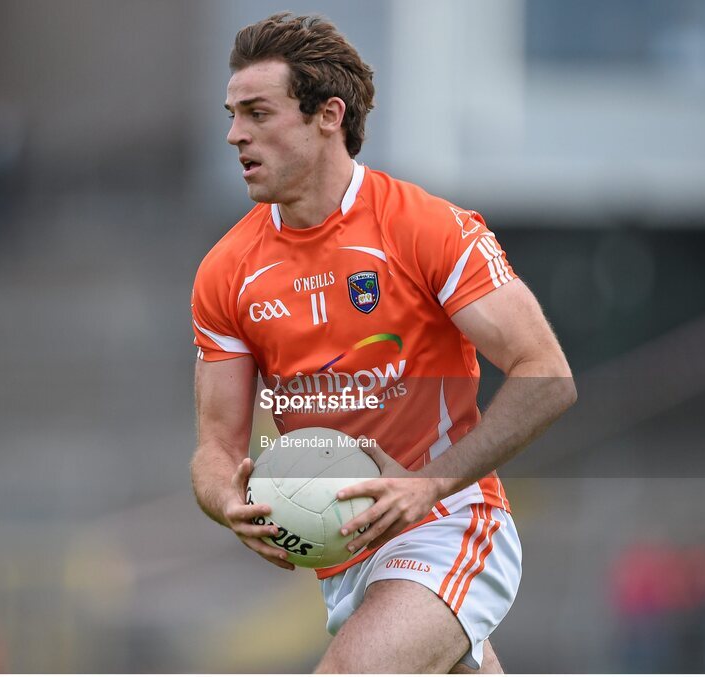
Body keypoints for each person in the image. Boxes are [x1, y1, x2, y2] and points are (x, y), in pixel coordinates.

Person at [190, 12, 576, 674]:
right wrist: (228, 500)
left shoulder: (426, 229)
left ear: (328, 115)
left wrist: (428, 485)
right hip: (341, 561)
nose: (235, 134)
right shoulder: (227, 270)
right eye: (231, 114)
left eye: (257, 112)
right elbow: (216, 449)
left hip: (449, 522)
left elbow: (547, 375)